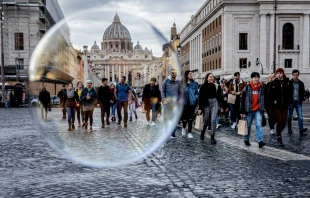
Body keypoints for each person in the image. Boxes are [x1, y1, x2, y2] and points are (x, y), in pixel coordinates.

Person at [240, 72, 266, 148]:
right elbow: (242, 99)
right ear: (252, 79)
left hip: (258, 110)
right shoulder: (247, 87)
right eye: (254, 77)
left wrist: (264, 108)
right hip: (249, 110)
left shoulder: (261, 87)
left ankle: (260, 141)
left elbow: (263, 98)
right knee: (248, 126)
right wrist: (241, 111)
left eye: (257, 77)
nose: (256, 79)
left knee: (258, 125)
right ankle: (246, 139)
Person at [268, 68, 293, 146]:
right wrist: (273, 101)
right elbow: (269, 94)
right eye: (277, 73)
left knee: (284, 122)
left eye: (280, 73)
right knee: (279, 120)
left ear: (283, 74)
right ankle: (279, 137)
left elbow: (290, 93)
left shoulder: (288, 82)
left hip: (285, 105)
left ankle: (278, 132)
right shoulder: (273, 83)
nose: (279, 74)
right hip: (276, 105)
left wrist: (289, 101)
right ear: (276, 74)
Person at [198, 73, 223, 145]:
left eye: (213, 77)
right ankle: (202, 132)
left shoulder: (216, 86)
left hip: (214, 102)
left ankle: (212, 137)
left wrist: (222, 105)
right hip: (206, 104)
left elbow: (219, 96)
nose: (212, 78)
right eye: (210, 77)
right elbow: (200, 98)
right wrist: (200, 108)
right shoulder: (203, 86)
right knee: (206, 121)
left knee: (213, 120)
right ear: (207, 78)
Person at [162, 69, 182, 139]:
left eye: (175, 73)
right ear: (170, 73)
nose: (173, 74)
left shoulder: (178, 82)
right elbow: (163, 91)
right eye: (172, 73)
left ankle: (173, 133)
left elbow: (181, 92)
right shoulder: (166, 81)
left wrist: (179, 99)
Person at [287, 70, 307, 135]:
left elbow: (303, 92)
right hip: (291, 101)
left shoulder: (301, 83)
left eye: (297, 75)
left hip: (298, 101)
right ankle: (289, 129)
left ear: (298, 75)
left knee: (300, 116)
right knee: (289, 116)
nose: (296, 76)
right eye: (294, 75)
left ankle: (301, 129)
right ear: (292, 75)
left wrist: (302, 98)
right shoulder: (289, 82)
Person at [181, 71, 198, 138]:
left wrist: (196, 98)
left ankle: (190, 132)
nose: (191, 75)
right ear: (186, 75)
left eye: (192, 74)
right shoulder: (182, 83)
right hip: (184, 103)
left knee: (190, 118)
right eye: (190, 74)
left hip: (192, 103)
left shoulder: (194, 84)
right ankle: (184, 127)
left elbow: (197, 93)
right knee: (185, 118)